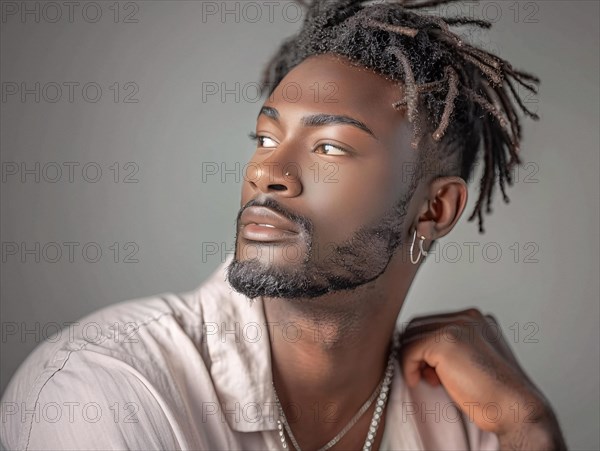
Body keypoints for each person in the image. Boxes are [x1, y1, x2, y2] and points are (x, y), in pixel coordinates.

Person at [1, 0, 567, 449]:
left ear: (435, 209)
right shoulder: (106, 390)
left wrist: (533, 431)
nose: (268, 170)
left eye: (329, 146)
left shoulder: (471, 420)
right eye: (267, 138)